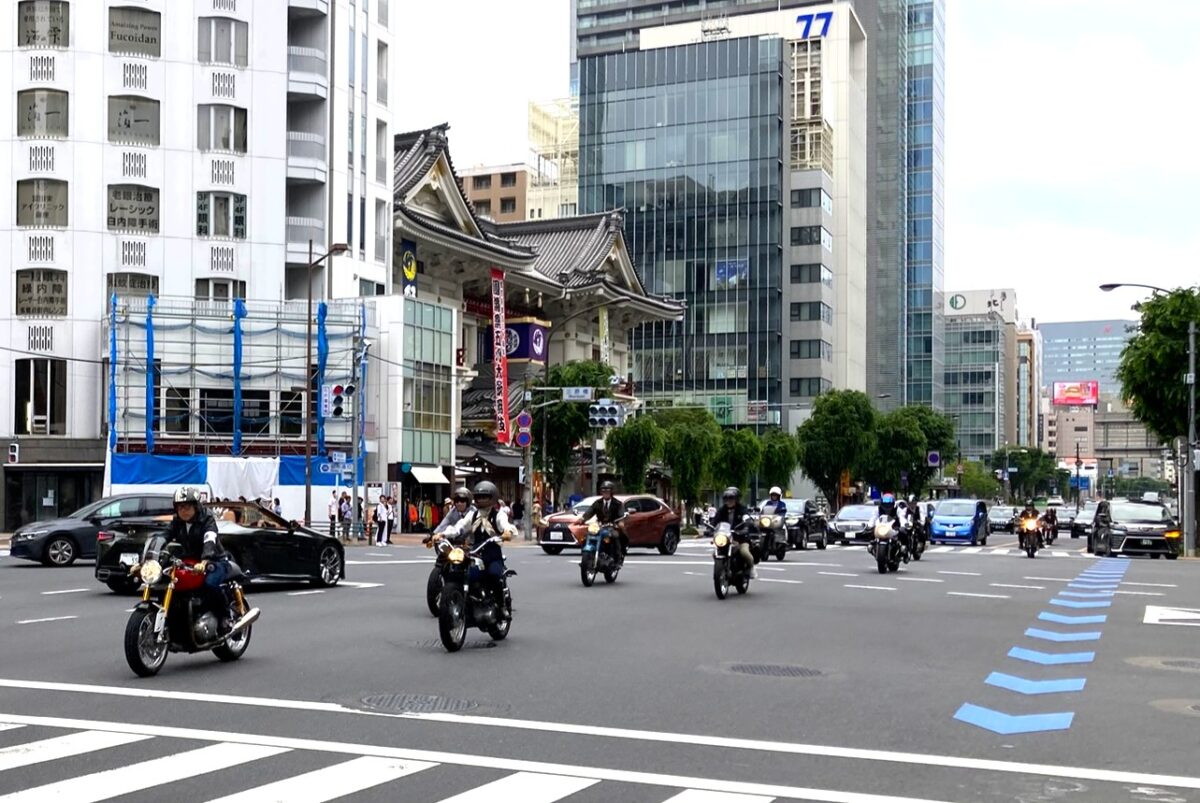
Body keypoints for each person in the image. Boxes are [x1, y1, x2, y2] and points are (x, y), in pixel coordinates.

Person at [162, 487, 257, 635]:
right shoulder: (177, 522)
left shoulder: (207, 519)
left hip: (215, 560)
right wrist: (150, 555)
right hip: (189, 561)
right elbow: (163, 536)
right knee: (170, 581)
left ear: (196, 507)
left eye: (187, 507)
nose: (183, 511)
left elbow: (210, 539)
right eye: (180, 507)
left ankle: (225, 617)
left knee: (210, 583)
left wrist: (205, 560)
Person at [442, 481, 511, 620]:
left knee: (494, 574)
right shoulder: (472, 515)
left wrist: (507, 531)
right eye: (479, 497)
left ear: (492, 498)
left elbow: (505, 525)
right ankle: (469, 600)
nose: (482, 500)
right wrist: (443, 534)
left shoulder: (498, 515)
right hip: (476, 552)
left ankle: (501, 606)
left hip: (492, 552)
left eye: (485, 497)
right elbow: (460, 526)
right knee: (465, 573)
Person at [710, 487, 756, 579]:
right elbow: (715, 521)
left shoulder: (742, 509)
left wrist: (747, 526)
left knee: (744, 552)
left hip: (740, 538)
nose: (729, 501)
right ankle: (722, 568)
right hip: (726, 538)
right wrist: (710, 528)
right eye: (726, 499)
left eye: (731, 498)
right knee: (715, 553)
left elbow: (747, 518)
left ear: (736, 499)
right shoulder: (722, 510)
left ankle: (751, 568)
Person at [578, 480, 627, 563]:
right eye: (603, 491)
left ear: (612, 492)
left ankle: (617, 557)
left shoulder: (618, 504)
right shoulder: (598, 503)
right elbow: (590, 511)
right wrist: (582, 519)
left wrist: (620, 522)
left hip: (612, 526)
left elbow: (621, 515)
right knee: (586, 536)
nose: (605, 493)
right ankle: (587, 556)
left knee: (615, 536)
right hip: (599, 526)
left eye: (607, 491)